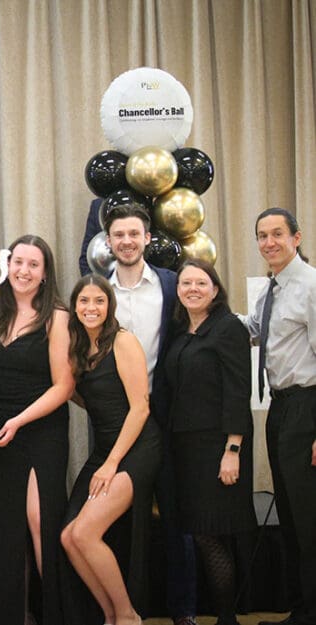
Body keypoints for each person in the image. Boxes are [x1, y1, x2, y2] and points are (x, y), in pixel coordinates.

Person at [82, 202, 197, 625]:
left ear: (147, 238)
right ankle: (120, 609)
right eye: (119, 235)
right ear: (108, 242)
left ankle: (183, 610)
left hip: (163, 419)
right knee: (111, 522)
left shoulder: (170, 285)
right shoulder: (96, 292)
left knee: (174, 513)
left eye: (135, 234)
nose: (127, 241)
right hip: (113, 424)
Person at [0, 234, 74, 625]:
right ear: (6, 267)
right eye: (18, 262)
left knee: (40, 522)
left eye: (33, 264)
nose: (24, 271)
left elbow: (64, 386)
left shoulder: (57, 317)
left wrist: (20, 421)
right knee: (1, 530)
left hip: (39, 431)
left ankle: (55, 614)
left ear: (44, 273)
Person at [61, 274, 161, 625]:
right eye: (84, 301)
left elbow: (140, 408)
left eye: (99, 301)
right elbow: (81, 397)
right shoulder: (77, 348)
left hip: (136, 449)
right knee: (68, 537)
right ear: (75, 307)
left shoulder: (122, 341)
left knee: (85, 533)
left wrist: (112, 464)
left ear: (109, 305)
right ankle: (110, 616)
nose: (91, 308)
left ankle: (128, 616)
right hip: (106, 450)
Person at [164, 258, 257, 625]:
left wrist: (233, 450)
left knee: (211, 535)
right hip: (186, 451)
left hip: (219, 449)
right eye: (186, 283)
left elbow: (238, 392)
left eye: (201, 283)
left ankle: (227, 618)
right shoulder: (180, 331)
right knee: (203, 532)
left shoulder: (228, 328)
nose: (192, 289)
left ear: (215, 289)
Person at [239, 208, 316, 625]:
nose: (269, 242)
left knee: (309, 517)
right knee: (289, 514)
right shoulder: (271, 290)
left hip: (309, 409)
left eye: (277, 234)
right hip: (281, 409)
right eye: (262, 236)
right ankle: (301, 609)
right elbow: (252, 329)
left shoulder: (311, 286)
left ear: (296, 238)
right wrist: (204, 311)